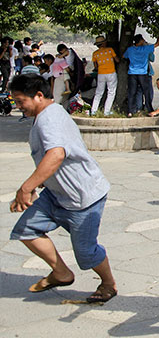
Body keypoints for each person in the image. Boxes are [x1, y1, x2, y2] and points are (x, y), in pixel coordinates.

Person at [7, 74, 118, 303]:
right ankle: (61, 273)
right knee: (26, 230)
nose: (18, 107)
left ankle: (109, 284)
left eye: (20, 101)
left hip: (83, 197)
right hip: (57, 195)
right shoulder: (46, 115)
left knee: (86, 253)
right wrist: (40, 184)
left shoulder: (49, 118)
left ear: (38, 95)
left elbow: (56, 154)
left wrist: (26, 188)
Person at [123, 34, 159, 116]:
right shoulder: (145, 48)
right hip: (142, 74)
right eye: (142, 39)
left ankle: (130, 111)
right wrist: (158, 35)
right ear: (140, 41)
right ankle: (150, 110)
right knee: (147, 92)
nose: (144, 40)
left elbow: (124, 56)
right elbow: (157, 44)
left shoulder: (130, 49)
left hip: (132, 73)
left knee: (132, 92)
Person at [90, 35, 119, 116]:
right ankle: (106, 112)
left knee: (99, 93)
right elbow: (117, 60)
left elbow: (95, 66)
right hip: (111, 73)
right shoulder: (110, 50)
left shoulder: (95, 53)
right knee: (111, 92)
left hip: (101, 74)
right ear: (103, 44)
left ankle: (93, 111)